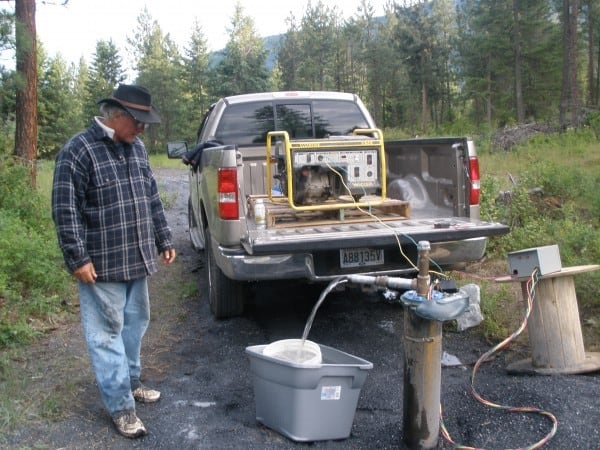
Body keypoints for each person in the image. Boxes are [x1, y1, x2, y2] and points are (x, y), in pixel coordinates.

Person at [52, 84, 176, 438]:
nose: (143, 130)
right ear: (118, 115)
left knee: (135, 323)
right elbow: (65, 210)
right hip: (101, 266)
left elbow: (151, 195)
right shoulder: (79, 150)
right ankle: (121, 407)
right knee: (105, 335)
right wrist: (77, 257)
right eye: (139, 122)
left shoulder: (136, 148)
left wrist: (163, 237)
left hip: (136, 257)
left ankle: (131, 381)